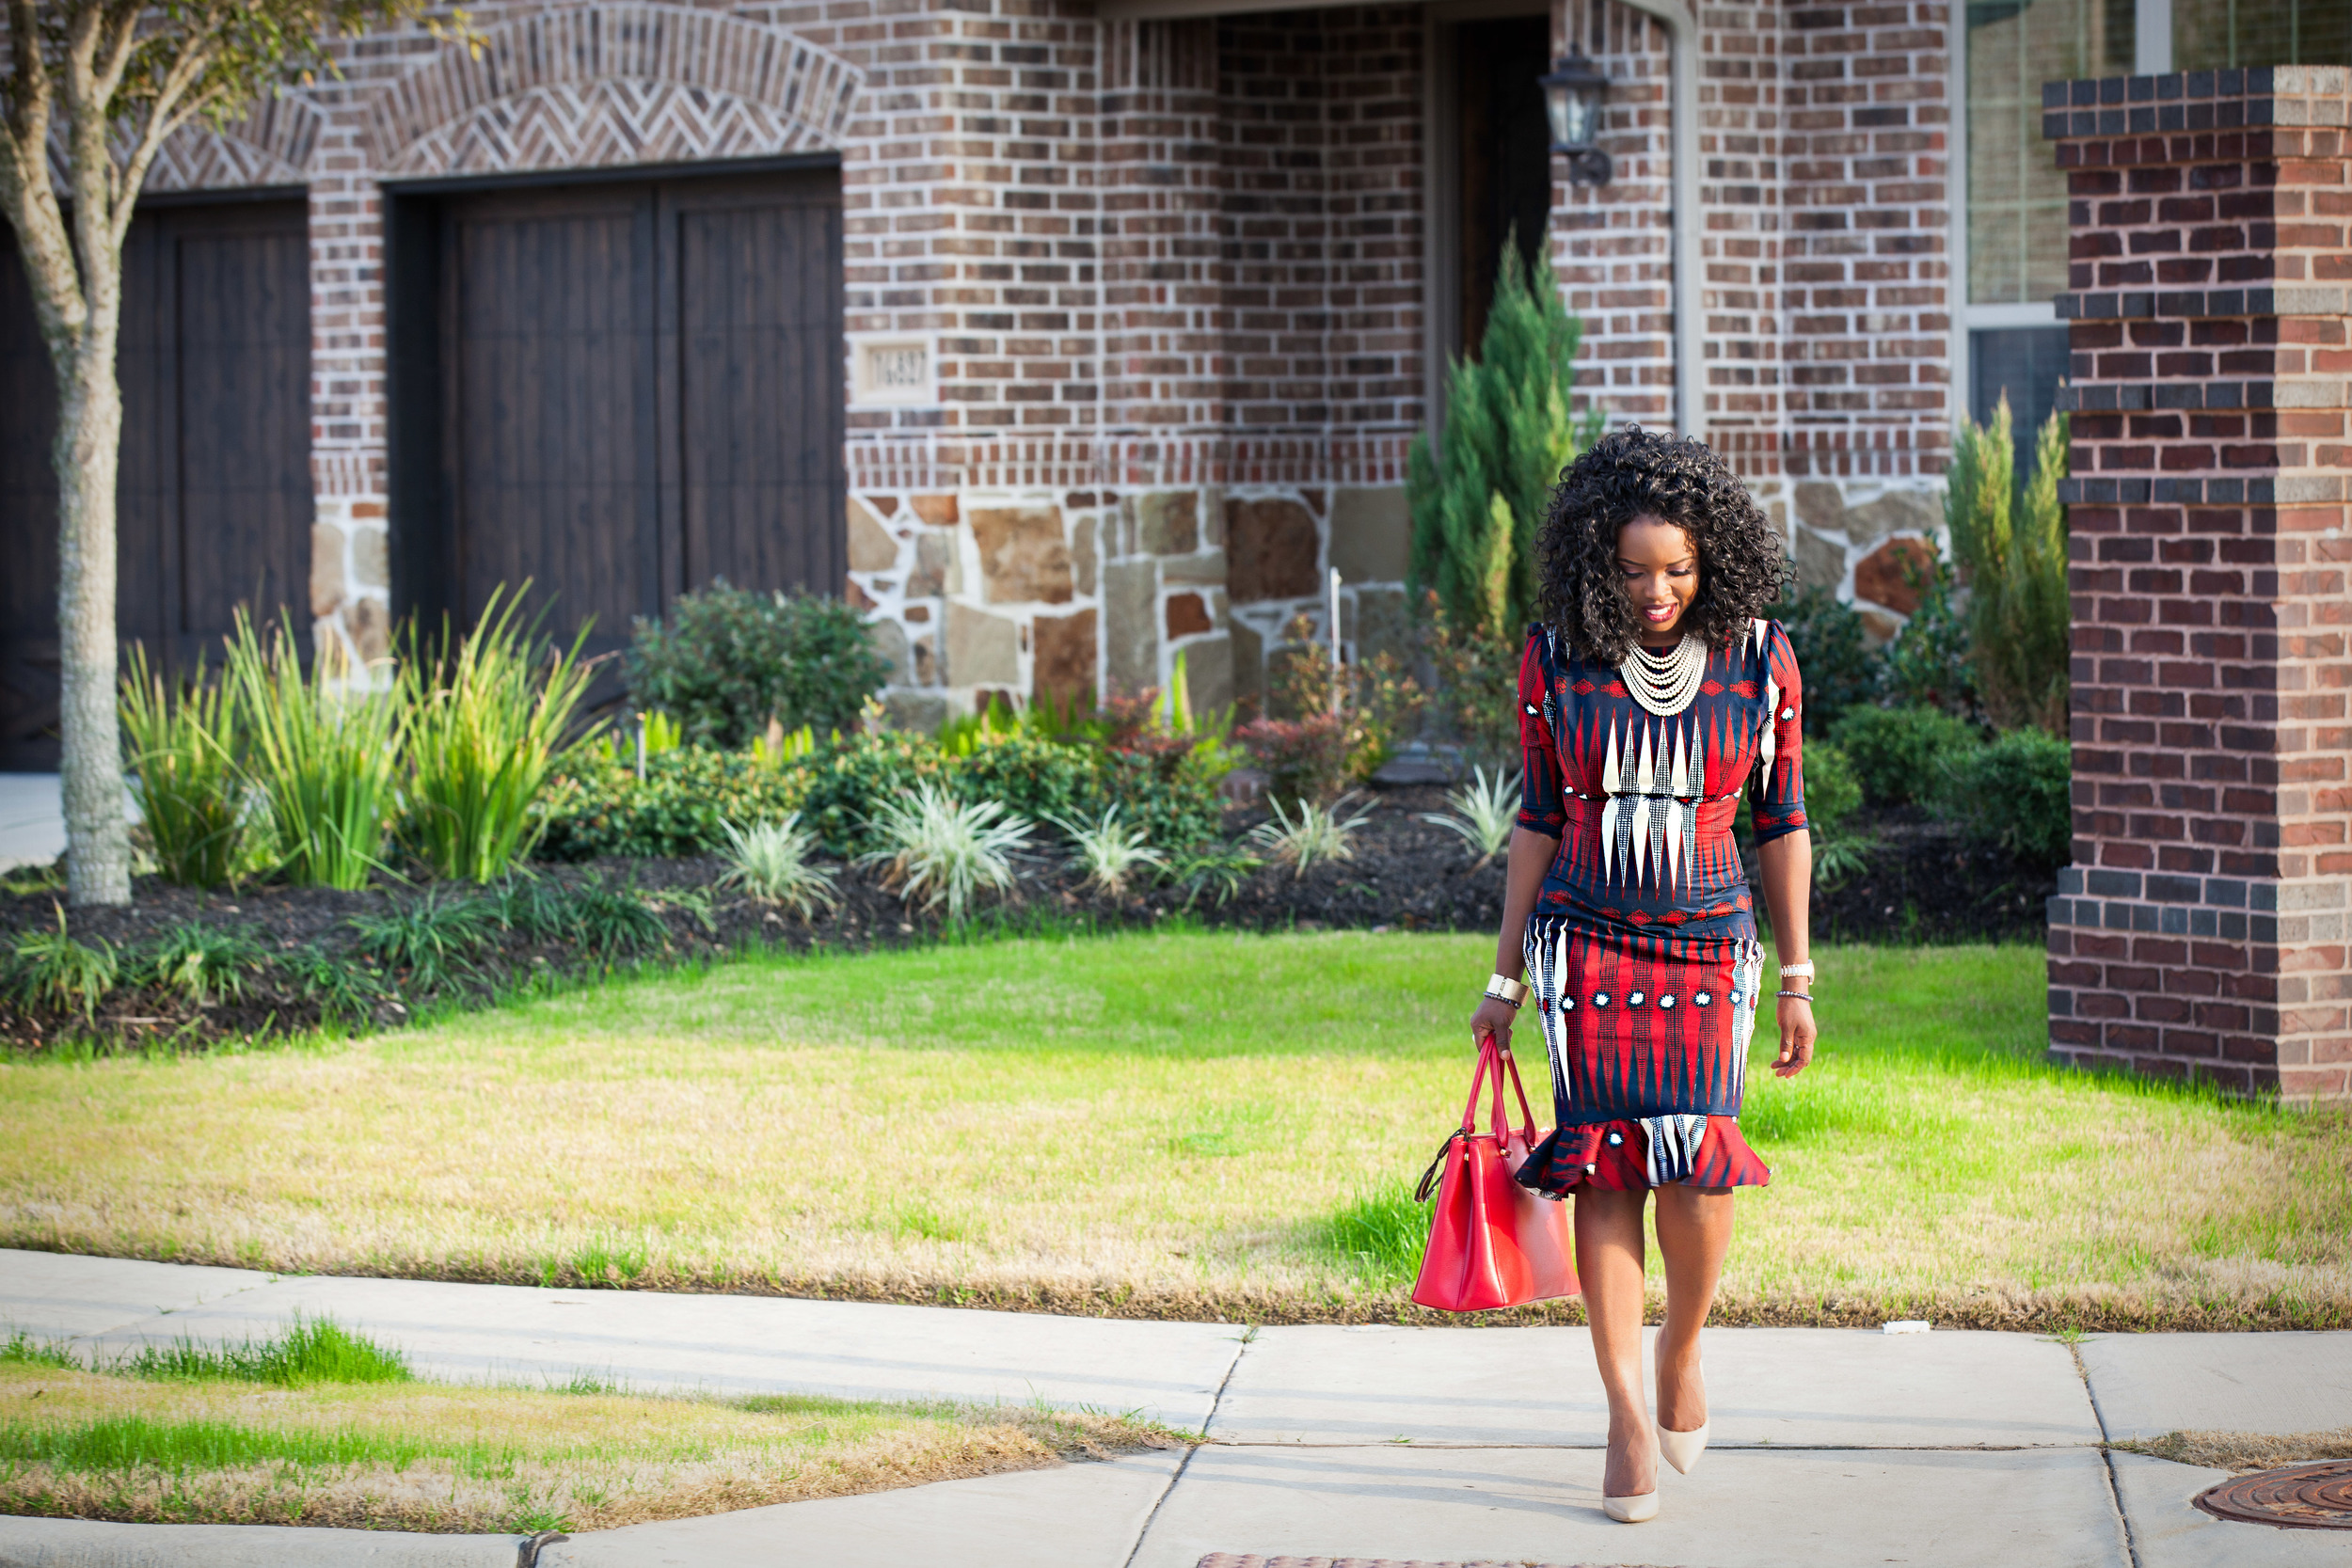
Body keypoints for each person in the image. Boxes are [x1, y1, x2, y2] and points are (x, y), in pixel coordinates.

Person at [1470, 427, 1817, 1524]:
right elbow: (1536, 817)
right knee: (1605, 1172)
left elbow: (1784, 819)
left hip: (1712, 936)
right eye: (1630, 569)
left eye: (1676, 568)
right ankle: (1623, 1411)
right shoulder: (1554, 656)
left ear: (1713, 558)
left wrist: (1799, 976)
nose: (1655, 589)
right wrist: (1505, 975)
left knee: (1700, 1169)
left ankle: (1680, 1345)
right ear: (1594, 560)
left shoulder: (1762, 658)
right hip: (1585, 940)